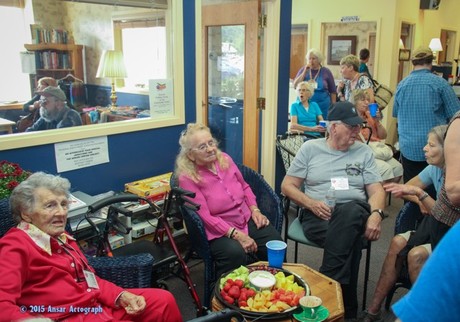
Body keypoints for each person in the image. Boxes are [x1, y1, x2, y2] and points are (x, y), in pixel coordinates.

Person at [0, 172, 182, 322]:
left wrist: (121, 296)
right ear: (26, 214)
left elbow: (90, 280)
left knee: (162, 301)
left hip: (95, 307)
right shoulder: (15, 246)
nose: (61, 212)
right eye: (50, 206)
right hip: (66, 316)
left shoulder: (63, 239)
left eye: (63, 204)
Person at [281, 101, 386, 319]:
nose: (358, 131)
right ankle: (346, 308)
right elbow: (287, 186)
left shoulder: (363, 152)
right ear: (334, 127)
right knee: (352, 239)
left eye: (359, 126)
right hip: (319, 215)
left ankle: (324, 284)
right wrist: (310, 203)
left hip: (354, 212)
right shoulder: (310, 149)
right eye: (352, 127)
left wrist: (376, 215)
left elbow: (377, 191)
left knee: (352, 211)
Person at [359, 125, 447, 322]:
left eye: (431, 145)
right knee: (397, 241)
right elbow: (409, 189)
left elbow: (445, 215)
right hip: (434, 226)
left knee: (416, 255)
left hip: (451, 235)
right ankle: (373, 311)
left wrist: (422, 196)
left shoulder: (455, 178)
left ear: (448, 149)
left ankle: (425, 315)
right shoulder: (434, 168)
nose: (424, 148)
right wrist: (421, 199)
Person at [175, 123, 283, 279]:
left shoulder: (225, 159)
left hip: (245, 218)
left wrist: (255, 210)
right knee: (235, 254)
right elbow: (205, 217)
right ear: (190, 155)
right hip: (217, 230)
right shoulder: (187, 178)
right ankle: (225, 297)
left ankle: (278, 286)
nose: (210, 149)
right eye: (202, 146)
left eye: (211, 142)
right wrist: (237, 235)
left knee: (274, 245)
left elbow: (245, 187)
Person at [393, 46, 460, 184]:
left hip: (408, 147)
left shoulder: (401, 85)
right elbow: (456, 116)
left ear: (413, 62)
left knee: (411, 189)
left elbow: (396, 114)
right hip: (435, 148)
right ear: (431, 61)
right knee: (435, 190)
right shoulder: (440, 84)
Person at [392, 220, 460, 322]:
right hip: (430, 231)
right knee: (398, 244)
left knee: (415, 255)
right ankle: (373, 310)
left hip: (439, 234)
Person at [350, 89, 402, 183]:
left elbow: (383, 136)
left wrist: (377, 121)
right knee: (386, 169)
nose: (366, 103)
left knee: (398, 168)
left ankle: (381, 195)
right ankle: (376, 194)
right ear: (354, 101)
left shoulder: (370, 115)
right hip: (361, 151)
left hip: (376, 150)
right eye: (362, 100)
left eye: (367, 100)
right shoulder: (350, 118)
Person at [293, 49, 337, 118]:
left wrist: (334, 107)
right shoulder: (303, 70)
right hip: (305, 105)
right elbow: (295, 85)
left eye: (313, 59)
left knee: (322, 126)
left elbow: (333, 91)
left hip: (323, 106)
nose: (311, 61)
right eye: (309, 59)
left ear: (319, 60)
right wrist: (304, 72)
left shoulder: (326, 71)